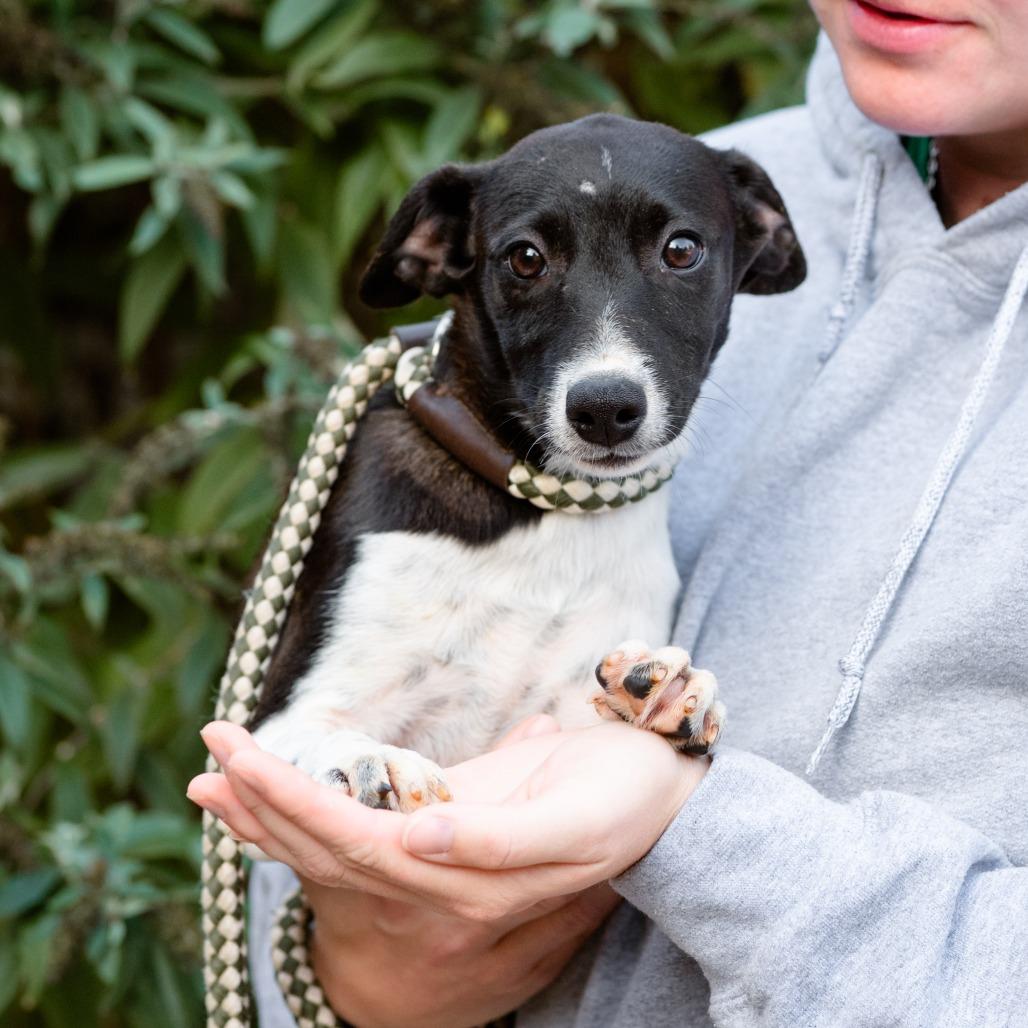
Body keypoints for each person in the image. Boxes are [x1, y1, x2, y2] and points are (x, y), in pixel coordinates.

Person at [188, 1, 1028, 1023]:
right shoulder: (691, 189)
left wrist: (687, 825)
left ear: (746, 252)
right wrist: (366, 982)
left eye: (676, 256)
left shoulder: (712, 207)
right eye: (531, 265)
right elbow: (283, 866)